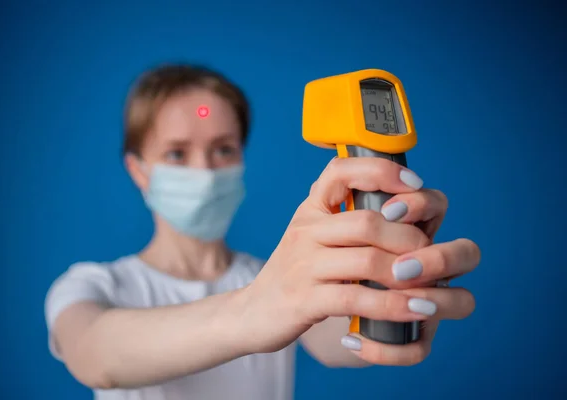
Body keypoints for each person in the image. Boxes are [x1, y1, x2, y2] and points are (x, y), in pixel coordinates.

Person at [44, 64, 480, 400]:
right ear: (138, 169)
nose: (205, 169)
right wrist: (254, 309)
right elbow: (94, 353)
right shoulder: (92, 284)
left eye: (224, 149)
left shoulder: (278, 279)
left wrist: (397, 293)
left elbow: (342, 342)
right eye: (177, 153)